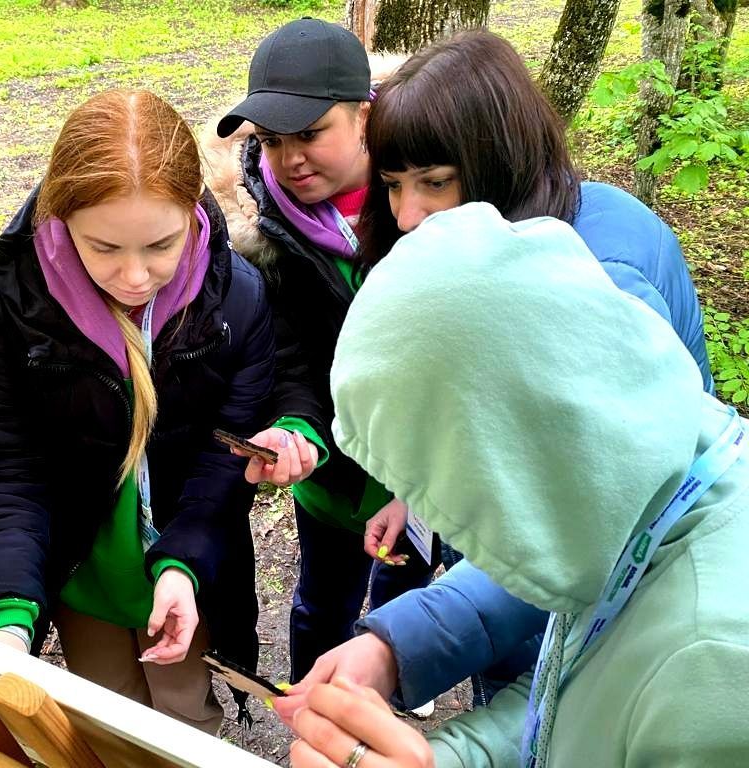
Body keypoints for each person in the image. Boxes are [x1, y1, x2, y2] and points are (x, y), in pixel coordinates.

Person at [275, 28, 717, 719]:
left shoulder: (597, 288)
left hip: (614, 612)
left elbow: (582, 539)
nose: (408, 216)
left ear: (499, 160)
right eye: (393, 184)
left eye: (435, 182)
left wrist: (399, 645)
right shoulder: (511, 245)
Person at [290, 201, 749, 767]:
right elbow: (586, 697)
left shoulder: (718, 666)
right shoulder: (649, 463)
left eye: (457, 512)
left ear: (514, 469)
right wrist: (410, 681)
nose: (466, 547)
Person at [0, 89, 274, 733]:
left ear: (194, 210)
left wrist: (184, 563)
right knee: (109, 717)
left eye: (160, 245)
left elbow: (226, 456)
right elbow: (6, 466)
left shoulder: (236, 300)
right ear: (60, 217)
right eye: (102, 248)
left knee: (186, 711)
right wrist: (6, 615)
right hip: (82, 568)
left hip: (188, 552)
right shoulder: (11, 306)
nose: (134, 278)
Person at [204, 17, 434, 686]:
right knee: (323, 602)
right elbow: (289, 362)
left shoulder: (430, 202)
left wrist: (426, 482)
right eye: (273, 140)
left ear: (365, 116)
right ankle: (310, 703)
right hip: (332, 479)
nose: (290, 158)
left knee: (405, 592)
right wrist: (296, 431)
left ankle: (399, 685)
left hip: (426, 477)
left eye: (310, 134)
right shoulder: (256, 240)